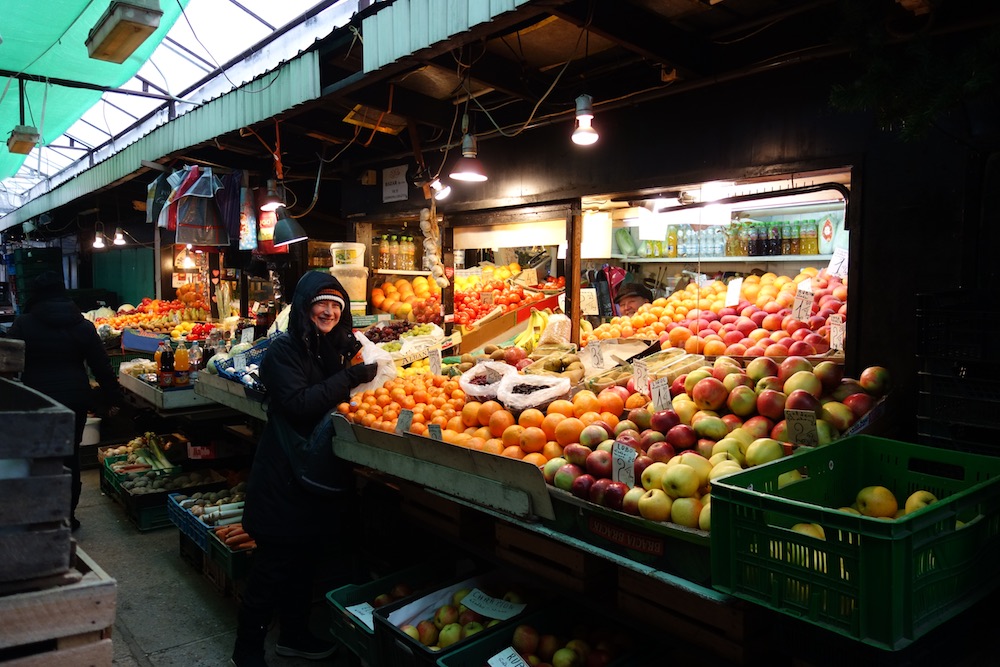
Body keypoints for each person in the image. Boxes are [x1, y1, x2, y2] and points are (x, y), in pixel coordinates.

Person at [232, 271, 378, 667]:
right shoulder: (284, 350)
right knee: (273, 565)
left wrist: (353, 354)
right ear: (304, 306)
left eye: (336, 305)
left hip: (312, 475)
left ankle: (294, 636)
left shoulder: (327, 345)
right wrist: (348, 376)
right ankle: (246, 651)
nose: (329, 311)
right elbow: (298, 404)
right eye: (321, 303)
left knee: (304, 562)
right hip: (283, 474)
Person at [7, 270, 123, 532]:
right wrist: (115, 398)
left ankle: (42, 514)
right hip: (74, 400)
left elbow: (8, 361)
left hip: (36, 400)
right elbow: (102, 367)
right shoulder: (82, 325)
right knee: (70, 457)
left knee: (40, 457)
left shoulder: (23, 324)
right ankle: (67, 517)